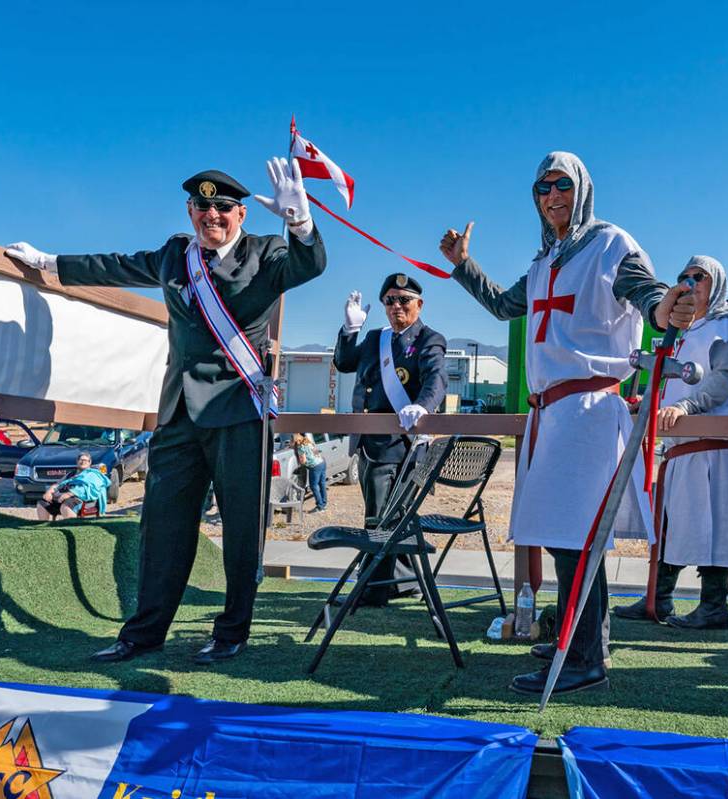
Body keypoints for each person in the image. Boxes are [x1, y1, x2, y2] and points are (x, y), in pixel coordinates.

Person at [6, 159, 327, 665]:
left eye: (223, 207)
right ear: (190, 210)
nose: (212, 215)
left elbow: (311, 266)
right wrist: (50, 262)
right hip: (177, 414)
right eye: (203, 206)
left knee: (242, 528)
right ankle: (143, 635)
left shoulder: (268, 253)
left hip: (239, 413)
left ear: (241, 214)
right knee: (162, 528)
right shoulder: (175, 254)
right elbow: (115, 265)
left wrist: (301, 223)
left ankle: (231, 632)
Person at [439, 151, 695, 695]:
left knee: (575, 540)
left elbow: (646, 292)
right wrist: (463, 265)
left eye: (562, 185)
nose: (552, 195)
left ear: (582, 189)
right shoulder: (543, 263)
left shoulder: (610, 245)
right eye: (541, 188)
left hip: (585, 410)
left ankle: (582, 659)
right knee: (566, 537)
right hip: (551, 414)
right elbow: (504, 306)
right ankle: (583, 641)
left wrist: (664, 310)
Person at [613, 256, 728, 630]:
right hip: (682, 448)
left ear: (716, 283)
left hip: (711, 448)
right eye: (684, 277)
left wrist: (686, 405)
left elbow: (725, 378)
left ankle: (714, 607)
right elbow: (677, 380)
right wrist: (652, 404)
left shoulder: (725, 327)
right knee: (671, 525)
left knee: (715, 524)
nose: (690, 283)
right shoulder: (690, 331)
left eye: (699, 277)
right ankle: (659, 598)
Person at [333, 273, 447, 605]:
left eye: (404, 300)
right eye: (390, 301)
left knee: (382, 515)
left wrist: (422, 406)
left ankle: (374, 588)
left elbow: (436, 379)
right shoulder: (374, 339)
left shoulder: (429, 339)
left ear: (419, 304)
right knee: (389, 514)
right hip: (371, 440)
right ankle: (404, 582)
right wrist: (350, 330)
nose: (397, 306)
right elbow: (343, 362)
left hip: (402, 445)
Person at [37, 452, 111, 520]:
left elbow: (90, 488)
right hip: (61, 497)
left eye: (85, 460)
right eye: (81, 460)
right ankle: (44, 529)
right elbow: (58, 484)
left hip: (80, 499)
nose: (83, 462)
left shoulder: (93, 475)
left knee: (66, 506)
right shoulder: (71, 474)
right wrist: (49, 491)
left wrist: (69, 494)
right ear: (77, 461)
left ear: (89, 462)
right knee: (42, 503)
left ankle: (72, 527)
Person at [293, 432, 327, 513]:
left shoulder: (300, 446)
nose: (293, 437)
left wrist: (301, 465)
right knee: (322, 484)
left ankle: (320, 506)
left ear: (298, 436)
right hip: (322, 462)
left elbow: (303, 461)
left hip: (315, 466)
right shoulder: (308, 441)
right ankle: (324, 504)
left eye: (294, 436)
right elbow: (316, 452)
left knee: (314, 486)